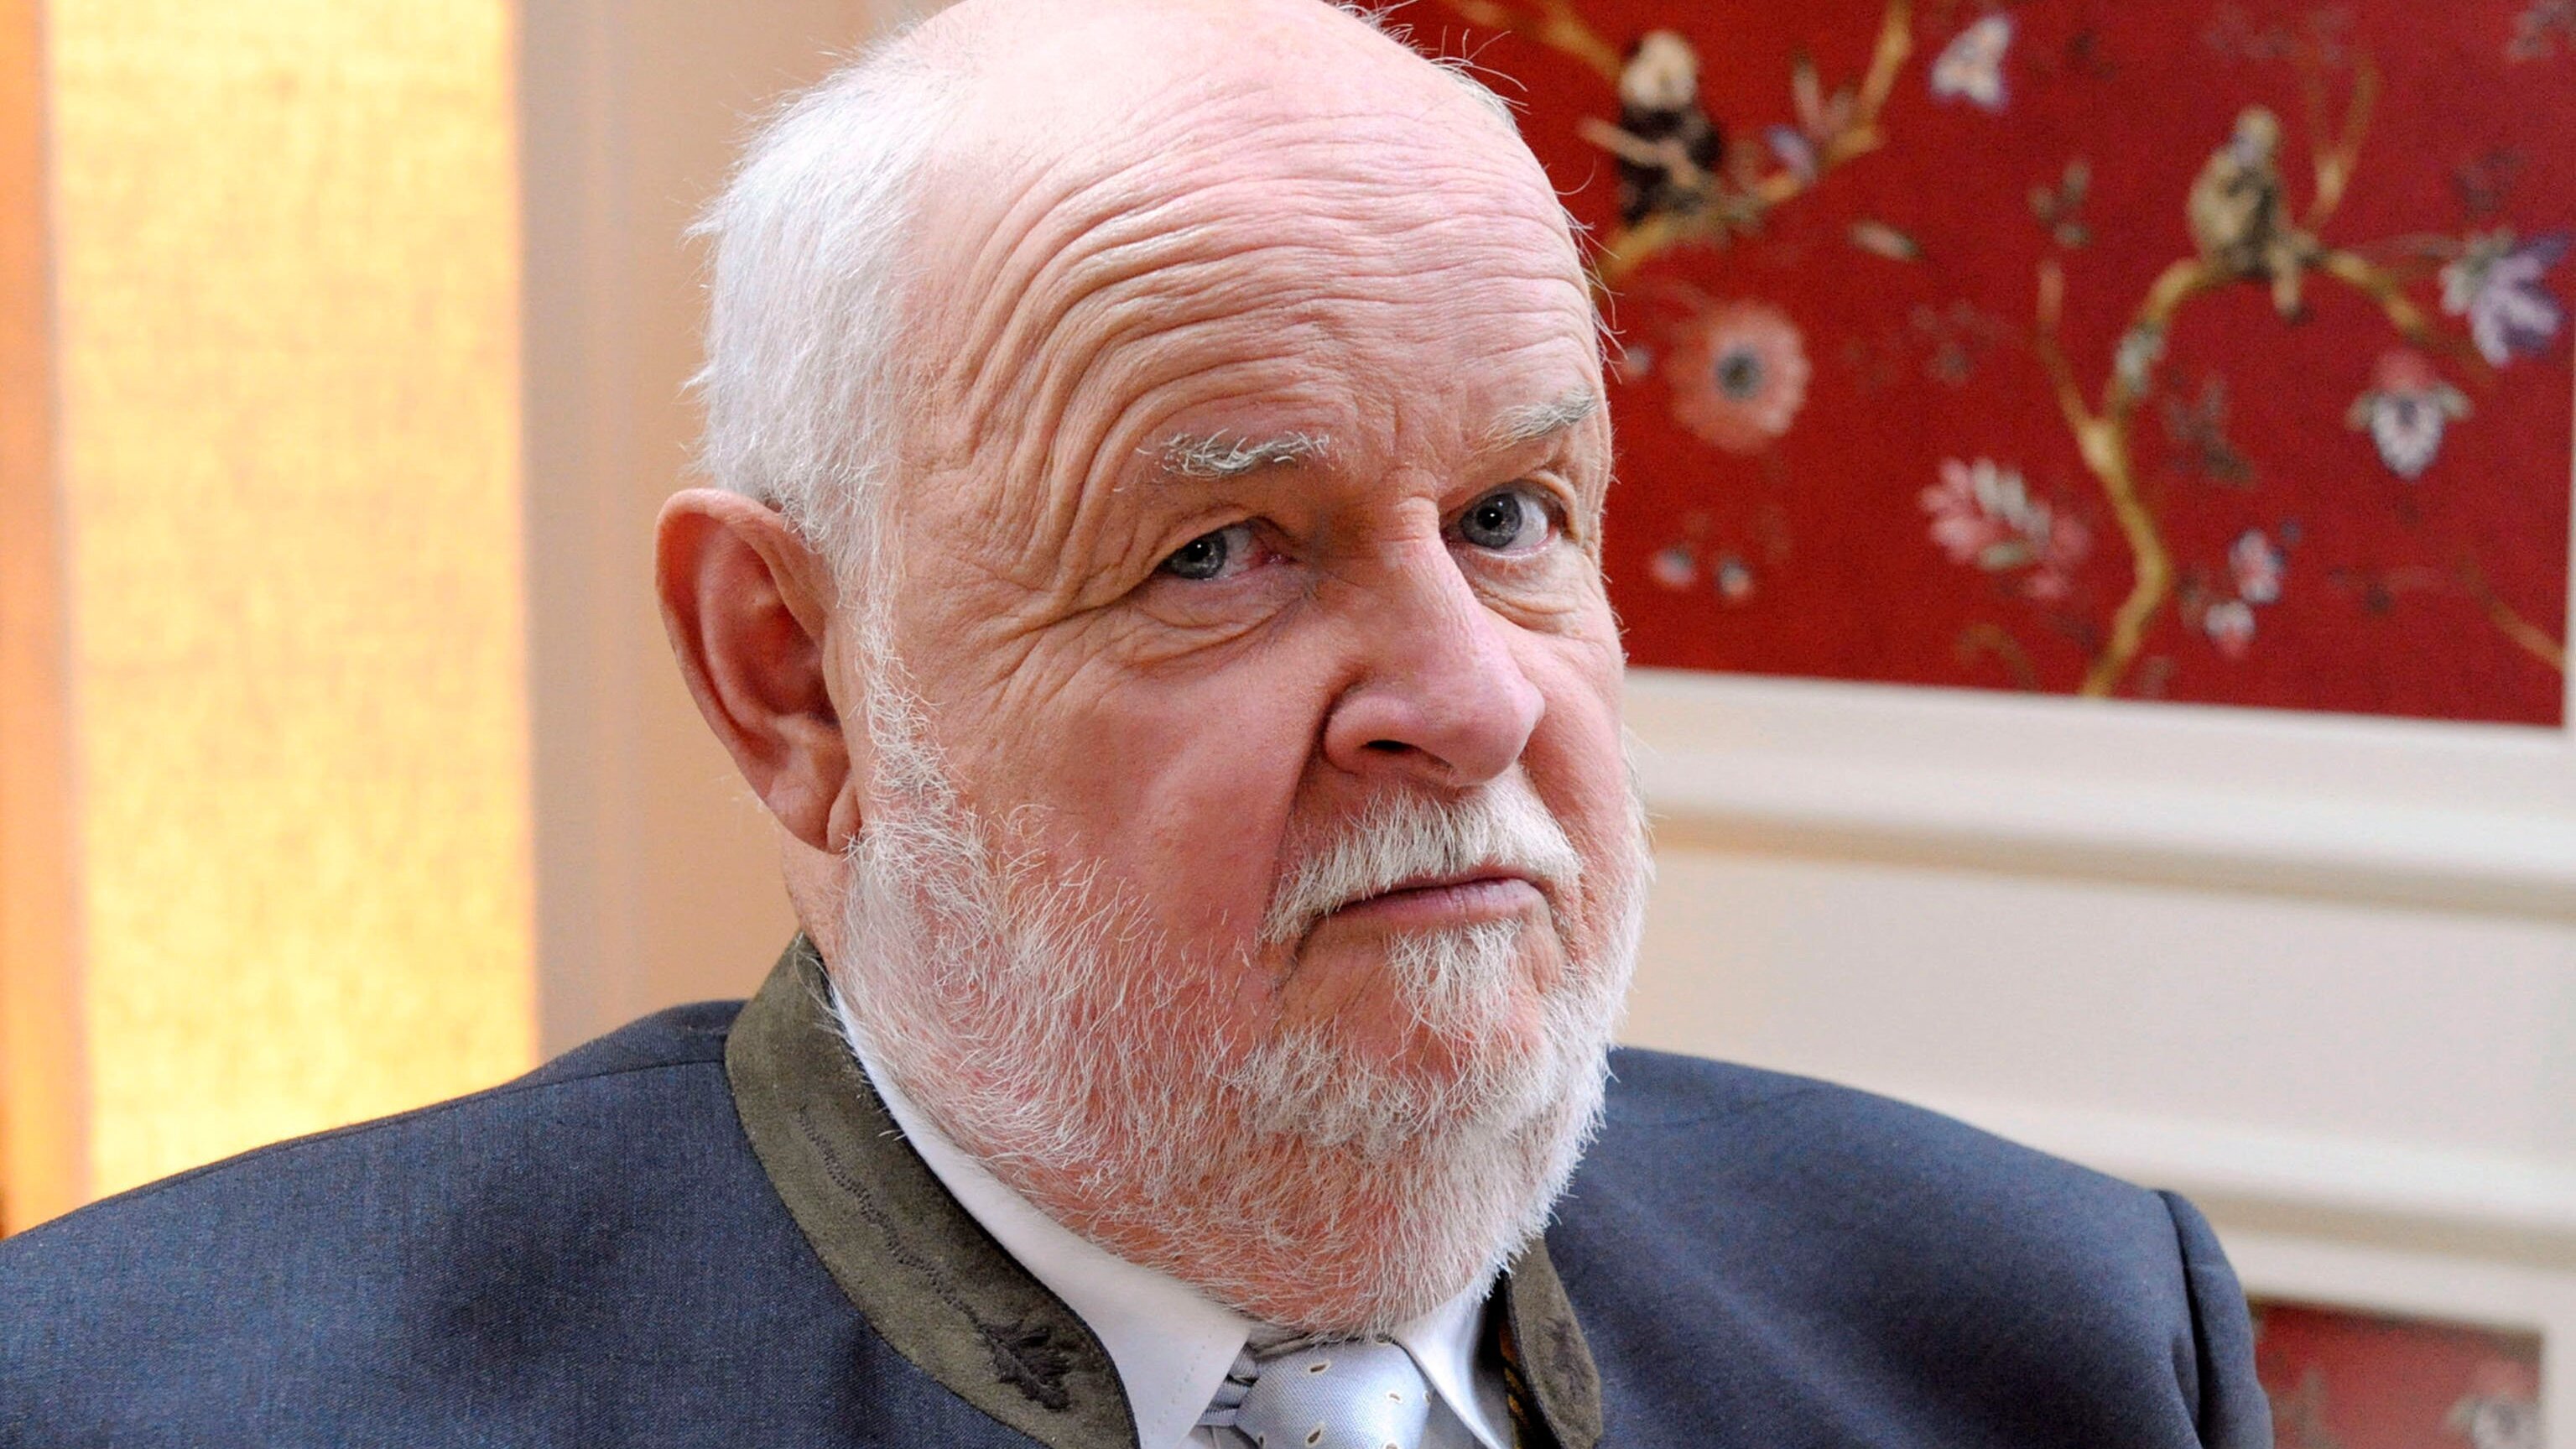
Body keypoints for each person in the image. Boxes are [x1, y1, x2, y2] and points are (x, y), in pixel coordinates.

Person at [0, 1, 2269, 1444]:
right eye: (1223, 552)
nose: (1474, 693)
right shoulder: (155, 1400)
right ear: (792, 675)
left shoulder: (2046, 1338)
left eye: (1511, 515)